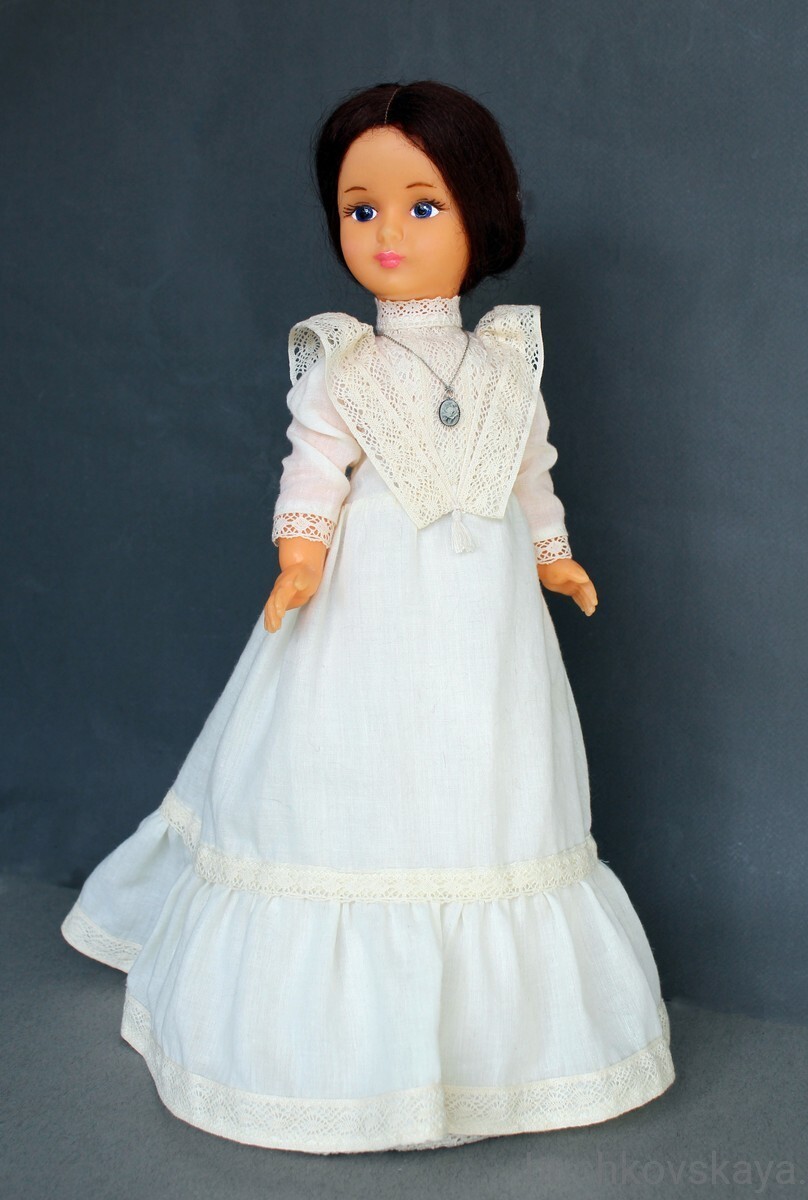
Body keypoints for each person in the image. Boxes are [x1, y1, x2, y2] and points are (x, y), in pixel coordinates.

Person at [61, 80, 675, 1154]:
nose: (388, 231)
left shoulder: (507, 362)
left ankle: (488, 1046)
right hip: (367, 605)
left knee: (484, 774)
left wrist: (555, 555)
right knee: (351, 763)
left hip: (487, 621)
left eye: (421, 205)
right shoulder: (344, 360)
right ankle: (348, 1049)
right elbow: (313, 467)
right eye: (360, 208)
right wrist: (299, 556)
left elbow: (530, 471)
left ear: (481, 215)